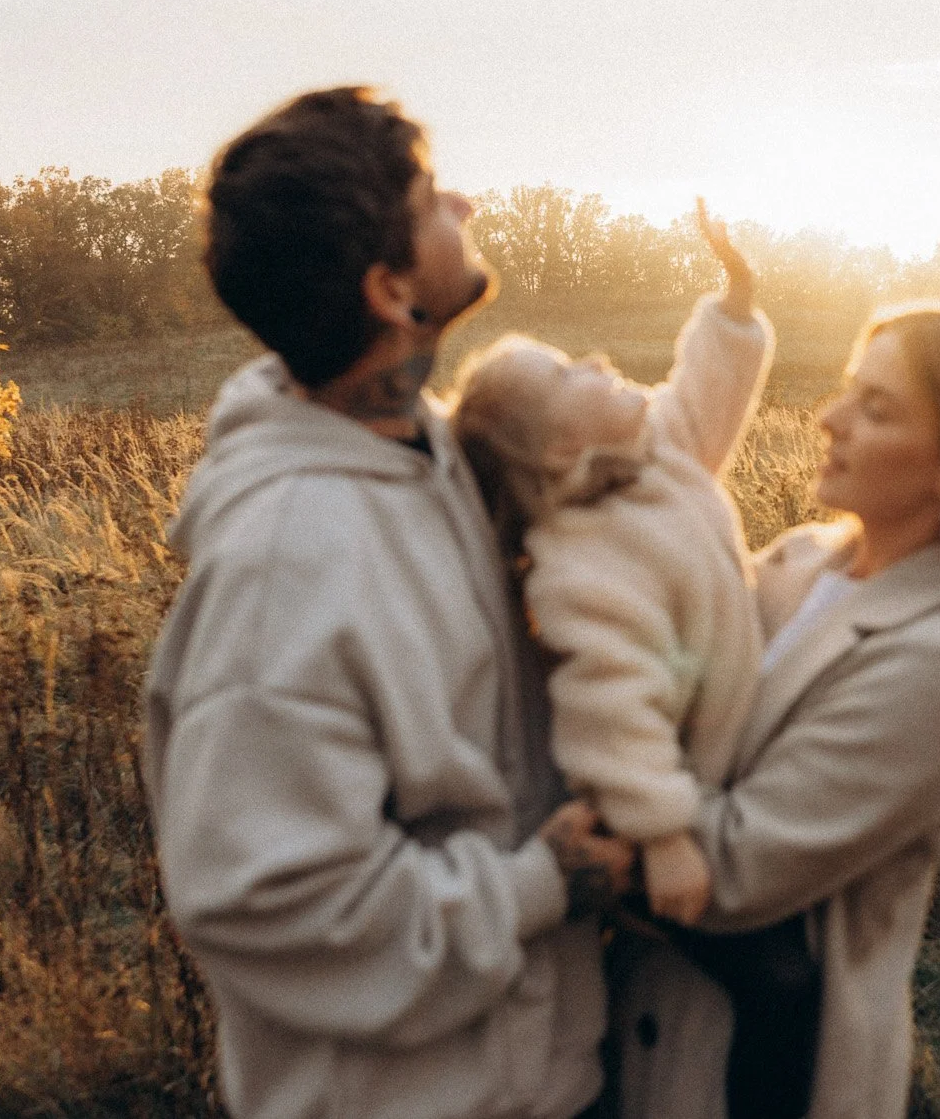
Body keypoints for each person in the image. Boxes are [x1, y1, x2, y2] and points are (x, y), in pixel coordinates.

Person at [142, 86, 635, 1119]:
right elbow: (272, 901)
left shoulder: (431, 450)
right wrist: (540, 888)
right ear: (391, 292)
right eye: (427, 202)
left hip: (535, 1072)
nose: (460, 201)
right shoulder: (287, 563)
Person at [612, 302, 940, 1119]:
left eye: (877, 409)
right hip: (636, 1032)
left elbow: (729, 869)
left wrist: (557, 811)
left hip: (757, 1072)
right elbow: (667, 663)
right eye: (847, 392)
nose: (829, 419)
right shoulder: (802, 560)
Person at [449, 207, 816, 1117]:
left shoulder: (655, 459)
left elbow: (704, 393)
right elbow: (608, 705)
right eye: (571, 373)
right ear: (562, 450)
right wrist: (662, 835)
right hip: (642, 816)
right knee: (781, 984)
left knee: (700, 981)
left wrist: (735, 300)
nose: (601, 362)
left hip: (704, 780)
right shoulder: (581, 558)